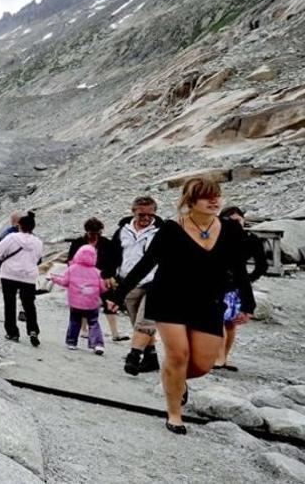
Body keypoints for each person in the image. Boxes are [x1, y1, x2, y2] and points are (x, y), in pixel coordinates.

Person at [107, 178, 256, 435]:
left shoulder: (231, 229)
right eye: (206, 197)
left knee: (202, 364)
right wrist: (118, 294)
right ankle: (174, 413)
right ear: (190, 201)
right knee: (178, 355)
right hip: (169, 298)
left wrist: (248, 302)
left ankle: (177, 380)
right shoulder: (172, 229)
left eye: (216, 195)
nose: (214, 201)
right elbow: (146, 263)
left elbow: (239, 267)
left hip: (208, 302)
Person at [112, 196, 164, 375]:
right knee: (137, 322)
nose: (146, 218)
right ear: (133, 212)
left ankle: (133, 357)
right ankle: (151, 358)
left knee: (145, 322)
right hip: (129, 282)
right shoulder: (122, 231)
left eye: (151, 214)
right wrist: (110, 275)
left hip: (155, 283)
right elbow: (113, 254)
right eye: (142, 214)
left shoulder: (161, 232)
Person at [214, 206, 268, 371]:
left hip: (233, 285)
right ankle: (220, 358)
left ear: (244, 220)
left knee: (227, 322)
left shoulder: (250, 239)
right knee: (222, 321)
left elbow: (261, 265)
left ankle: (222, 358)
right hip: (222, 283)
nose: (234, 224)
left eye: (237, 220)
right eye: (230, 221)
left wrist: (249, 279)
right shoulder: (217, 236)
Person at [67, 217, 126, 342]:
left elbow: (115, 260)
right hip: (84, 278)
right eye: (91, 233)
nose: (94, 235)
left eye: (97, 233)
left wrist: (110, 275)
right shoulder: (78, 243)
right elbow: (71, 260)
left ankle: (115, 333)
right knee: (83, 303)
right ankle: (84, 330)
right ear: (86, 231)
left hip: (104, 277)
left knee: (109, 302)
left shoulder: (106, 243)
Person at [0, 212, 43, 346]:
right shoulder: (38, 242)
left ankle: (12, 332)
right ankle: (33, 330)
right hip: (29, 276)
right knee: (29, 305)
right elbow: (38, 258)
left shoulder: (12, 237)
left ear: (19, 225)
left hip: (9, 274)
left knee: (10, 304)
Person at [51, 244, 109, 354]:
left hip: (75, 303)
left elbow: (64, 282)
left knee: (74, 321)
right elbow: (103, 288)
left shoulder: (72, 269)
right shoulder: (97, 272)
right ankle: (97, 344)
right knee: (93, 323)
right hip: (92, 303)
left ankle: (72, 342)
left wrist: (54, 279)